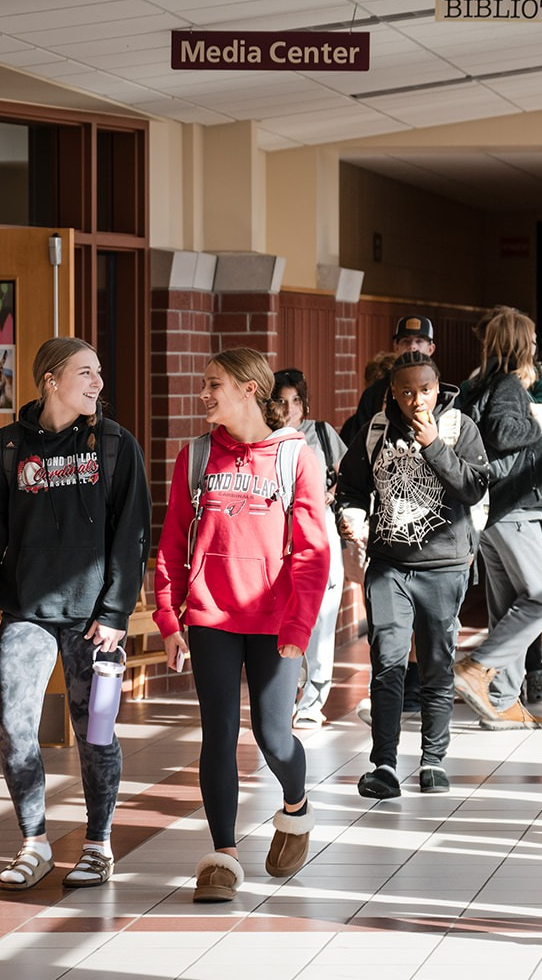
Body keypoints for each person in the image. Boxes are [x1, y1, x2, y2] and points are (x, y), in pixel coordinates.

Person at [0, 337, 151, 892]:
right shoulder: (8, 448)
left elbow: (132, 534)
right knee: (16, 729)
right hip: (27, 615)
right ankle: (34, 842)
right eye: (85, 372)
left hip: (95, 623)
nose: (97, 383)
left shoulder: (114, 446)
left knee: (96, 733)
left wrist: (115, 612)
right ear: (50, 380)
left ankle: (97, 845)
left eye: (98, 372)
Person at [152, 348, 332, 902]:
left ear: (250, 390)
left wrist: (299, 629)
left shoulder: (294, 456)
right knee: (219, 733)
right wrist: (168, 616)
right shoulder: (197, 456)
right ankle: (223, 858)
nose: (203, 395)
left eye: (214, 385)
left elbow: (312, 551)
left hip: (275, 621)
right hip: (211, 617)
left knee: (274, 738)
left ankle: (296, 809)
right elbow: (171, 544)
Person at [336, 350, 489, 798]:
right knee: (387, 664)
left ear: (438, 388)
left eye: (425, 390)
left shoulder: (460, 428)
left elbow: (474, 486)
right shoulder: (376, 431)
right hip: (388, 565)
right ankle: (383, 764)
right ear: (393, 394)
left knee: (438, 665)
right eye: (406, 391)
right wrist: (352, 515)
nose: (416, 399)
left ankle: (433, 761)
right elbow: (350, 489)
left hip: (444, 566)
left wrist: (434, 446)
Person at [453, 308, 542, 730]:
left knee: (507, 608)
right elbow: (503, 432)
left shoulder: (473, 385)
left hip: (489, 511)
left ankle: (499, 700)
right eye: (530, 339)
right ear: (519, 343)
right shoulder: (510, 385)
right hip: (516, 507)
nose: (535, 346)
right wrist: (537, 422)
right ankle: (477, 669)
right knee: (541, 599)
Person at [271, 368, 347, 729]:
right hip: (278, 532)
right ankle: (285, 693)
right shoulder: (266, 439)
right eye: (282, 401)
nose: (289, 409)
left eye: (296, 401)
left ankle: (313, 701)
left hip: (320, 526)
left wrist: (333, 496)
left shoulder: (321, 434)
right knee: (284, 614)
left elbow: (347, 476)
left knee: (322, 617)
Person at [340, 316, 437, 444]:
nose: (412, 347)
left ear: (431, 349)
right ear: (396, 347)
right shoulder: (374, 393)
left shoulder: (444, 394)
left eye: (419, 341)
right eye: (405, 341)